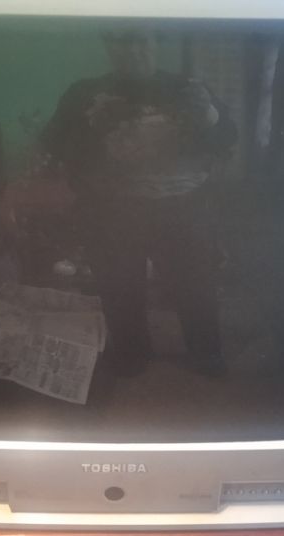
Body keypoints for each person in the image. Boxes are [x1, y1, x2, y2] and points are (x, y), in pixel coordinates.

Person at [41, 28, 237, 376]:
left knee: (195, 285)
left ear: (155, 41)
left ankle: (207, 354)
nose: (133, 50)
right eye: (122, 41)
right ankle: (133, 356)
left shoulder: (188, 88)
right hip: (112, 209)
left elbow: (227, 140)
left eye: (142, 40)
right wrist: (93, 127)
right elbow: (54, 146)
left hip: (183, 207)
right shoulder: (84, 93)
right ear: (107, 45)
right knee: (119, 287)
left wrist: (209, 114)